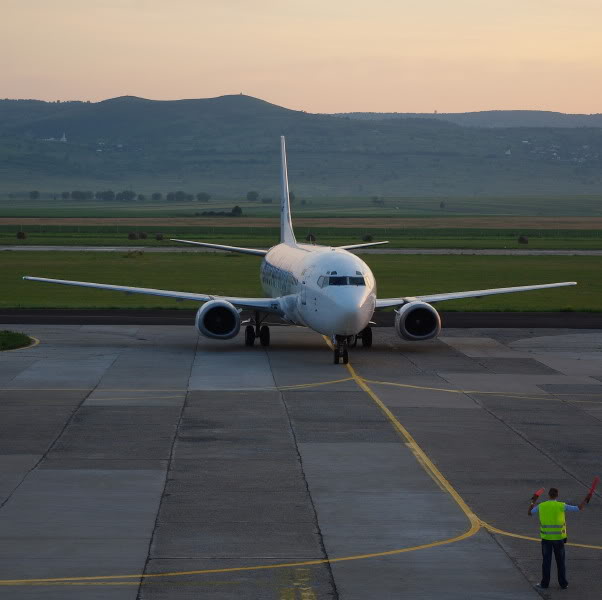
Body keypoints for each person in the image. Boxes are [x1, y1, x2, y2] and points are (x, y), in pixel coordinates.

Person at [528, 487, 591, 590]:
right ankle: (563, 583)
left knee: (546, 562)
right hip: (559, 539)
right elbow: (579, 508)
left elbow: (529, 513)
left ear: (548, 495)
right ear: (557, 495)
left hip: (546, 539)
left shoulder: (542, 506)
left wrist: (533, 501)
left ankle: (544, 584)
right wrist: (586, 499)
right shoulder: (562, 505)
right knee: (560, 562)